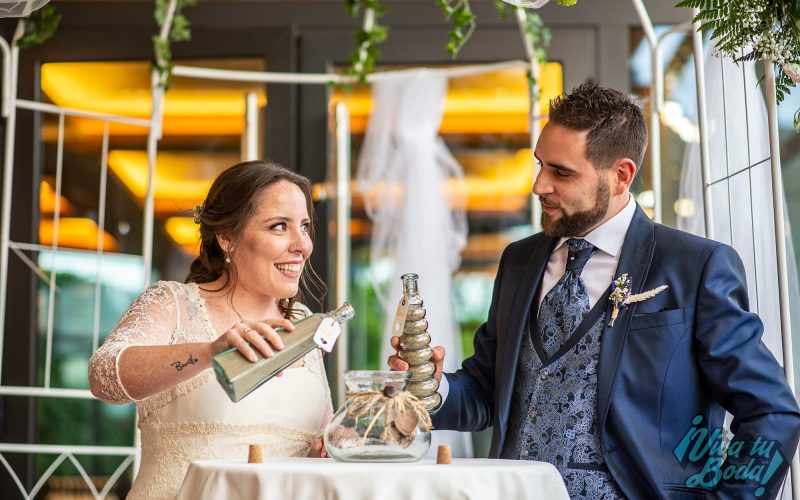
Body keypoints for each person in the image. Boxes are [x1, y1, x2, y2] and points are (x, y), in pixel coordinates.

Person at [389, 82, 800, 499]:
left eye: (561, 173)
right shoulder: (519, 261)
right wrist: (430, 385)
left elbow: (772, 412)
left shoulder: (695, 267)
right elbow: (485, 392)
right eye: (540, 165)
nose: (539, 186)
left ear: (621, 175)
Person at [89, 160, 333, 499]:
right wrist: (210, 351)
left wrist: (335, 443)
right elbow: (103, 378)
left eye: (304, 226)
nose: (302, 245)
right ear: (227, 238)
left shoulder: (305, 322)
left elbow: (317, 444)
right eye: (279, 226)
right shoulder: (173, 303)